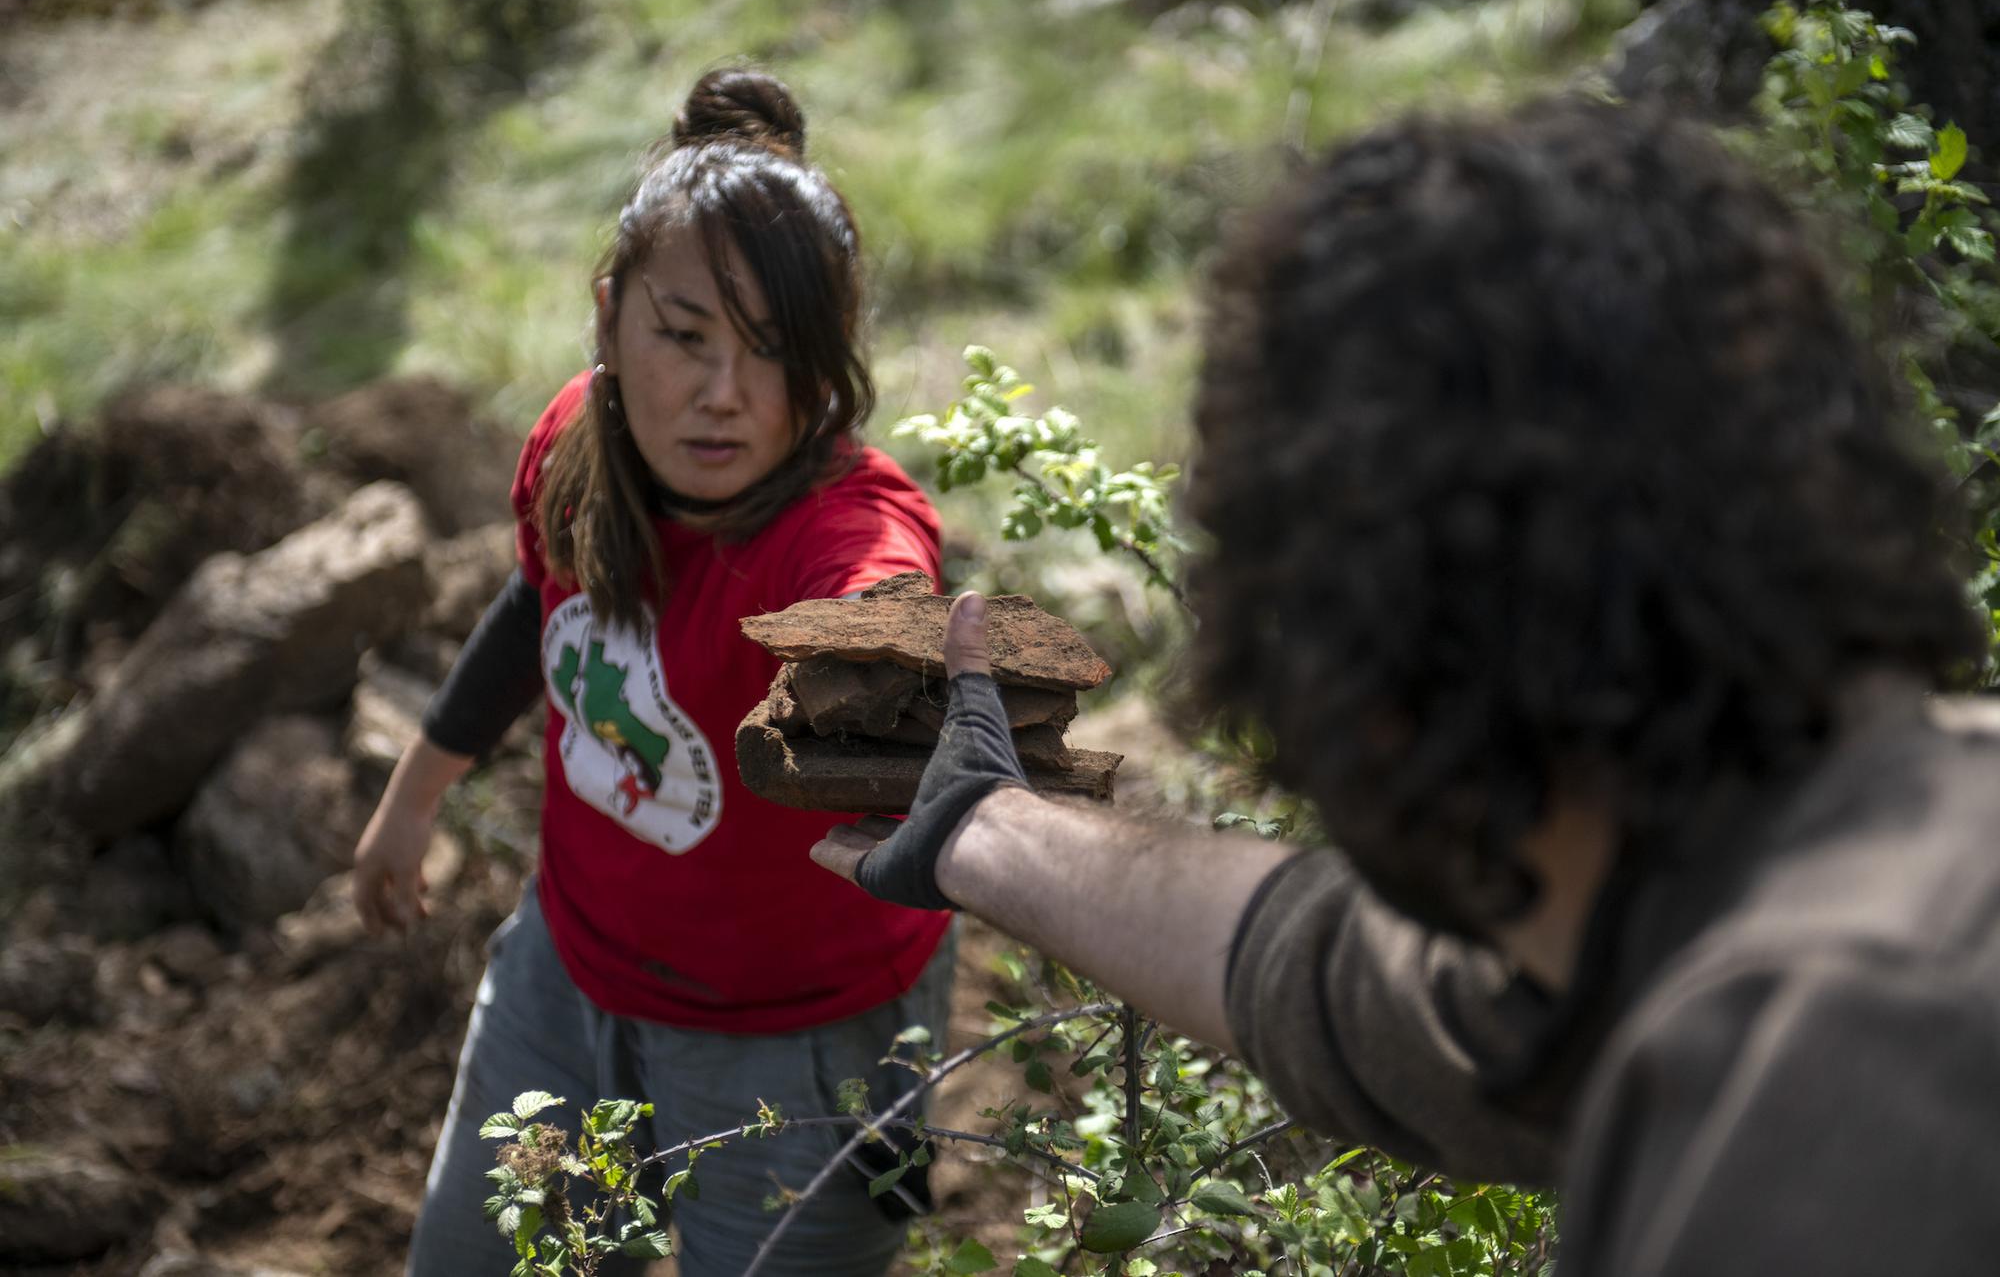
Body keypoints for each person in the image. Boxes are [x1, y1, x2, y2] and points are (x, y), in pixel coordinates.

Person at [814, 98, 2000, 1273]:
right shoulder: (1807, 857)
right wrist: (982, 825)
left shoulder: (1837, 1067)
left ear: (1356, 658)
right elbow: (1332, 975)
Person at [353, 67, 953, 1276]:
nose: (721, 394)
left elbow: (882, 600)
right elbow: (540, 604)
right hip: (565, 987)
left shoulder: (832, 534)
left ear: (826, 367)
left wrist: (887, 642)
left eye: (770, 352)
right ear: (609, 316)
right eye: (682, 337)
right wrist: (412, 795)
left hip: (806, 1051)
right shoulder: (579, 447)